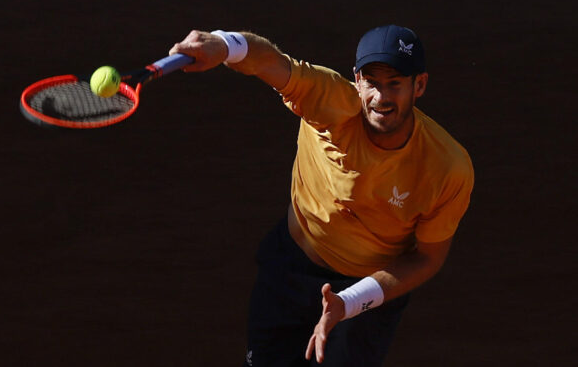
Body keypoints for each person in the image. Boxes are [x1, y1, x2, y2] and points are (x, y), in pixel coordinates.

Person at [169, 25, 474, 366]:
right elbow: (268, 61)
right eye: (372, 82)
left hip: (366, 291)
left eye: (395, 84)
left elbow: (427, 258)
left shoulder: (448, 167)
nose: (381, 98)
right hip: (290, 269)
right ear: (357, 80)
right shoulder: (330, 100)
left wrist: (350, 301)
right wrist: (224, 43)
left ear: (419, 85)